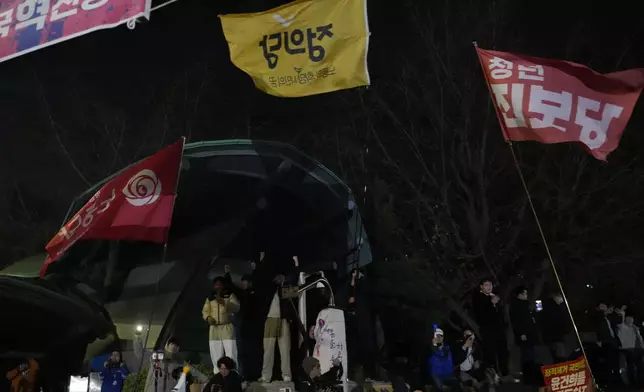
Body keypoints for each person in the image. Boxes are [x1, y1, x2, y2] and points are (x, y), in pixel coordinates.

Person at [255, 252, 300, 382]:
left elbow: (294, 280)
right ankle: (266, 375)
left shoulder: (286, 290)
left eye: (281, 276)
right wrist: (261, 262)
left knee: (285, 349)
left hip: (283, 320)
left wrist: (296, 265)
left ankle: (286, 374)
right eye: (277, 277)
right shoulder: (268, 289)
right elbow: (261, 278)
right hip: (270, 320)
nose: (278, 278)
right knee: (268, 349)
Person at [471, 279, 509, 378]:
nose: (489, 287)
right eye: (486, 285)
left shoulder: (494, 296)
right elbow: (481, 315)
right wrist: (491, 304)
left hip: (499, 329)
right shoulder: (478, 298)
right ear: (481, 287)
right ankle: (493, 374)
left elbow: (500, 312)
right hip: (488, 330)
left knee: (503, 351)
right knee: (491, 353)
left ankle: (505, 372)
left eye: (490, 284)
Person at [203, 276, 241, 372]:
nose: (218, 286)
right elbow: (205, 310)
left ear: (223, 285)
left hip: (227, 327)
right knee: (215, 353)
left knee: (231, 352)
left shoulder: (229, 295)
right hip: (214, 329)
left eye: (219, 284)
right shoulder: (210, 297)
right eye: (216, 285)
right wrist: (208, 317)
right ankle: (217, 375)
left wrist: (224, 302)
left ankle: (233, 374)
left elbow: (236, 307)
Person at [509, 286, 539, 384]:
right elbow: (516, 321)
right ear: (520, 295)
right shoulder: (516, 306)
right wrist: (521, 333)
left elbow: (531, 316)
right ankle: (528, 376)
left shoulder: (526, 304)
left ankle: (531, 374)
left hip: (530, 333)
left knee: (531, 354)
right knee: (527, 354)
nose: (526, 295)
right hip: (524, 335)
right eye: (525, 293)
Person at [595, 303, 622, 384]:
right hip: (606, 341)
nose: (605, 308)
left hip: (613, 341)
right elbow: (599, 318)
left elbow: (617, 322)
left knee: (616, 361)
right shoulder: (598, 317)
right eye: (602, 307)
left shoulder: (608, 318)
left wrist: (619, 313)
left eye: (605, 306)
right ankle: (608, 380)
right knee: (608, 362)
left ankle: (617, 379)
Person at [541, 292, 571, 363]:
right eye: (561, 298)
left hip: (550, 336)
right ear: (557, 297)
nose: (563, 300)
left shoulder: (548, 306)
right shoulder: (555, 308)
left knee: (554, 355)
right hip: (556, 335)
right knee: (560, 356)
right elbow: (559, 321)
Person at [617, 315, 644, 385]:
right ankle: (633, 382)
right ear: (626, 321)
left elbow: (640, 338)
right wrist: (622, 315)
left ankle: (640, 381)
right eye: (629, 320)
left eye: (632, 320)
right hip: (629, 349)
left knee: (640, 366)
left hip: (638, 349)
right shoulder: (622, 328)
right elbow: (621, 327)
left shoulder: (634, 328)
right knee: (631, 366)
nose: (631, 322)